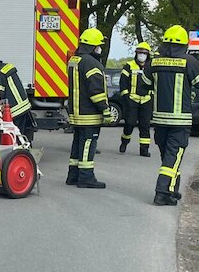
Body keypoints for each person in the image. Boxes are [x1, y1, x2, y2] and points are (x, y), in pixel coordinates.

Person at [149, 24, 199, 206]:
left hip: (159, 120)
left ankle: (172, 190)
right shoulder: (189, 61)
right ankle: (161, 193)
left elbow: (143, 84)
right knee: (172, 157)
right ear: (184, 44)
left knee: (169, 157)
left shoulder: (154, 62)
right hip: (179, 120)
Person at [65, 28, 110, 189]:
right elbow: (96, 91)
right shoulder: (92, 63)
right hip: (89, 114)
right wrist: (105, 109)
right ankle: (86, 177)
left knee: (77, 144)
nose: (100, 48)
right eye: (99, 45)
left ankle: (73, 175)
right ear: (93, 46)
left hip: (76, 112)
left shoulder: (74, 60)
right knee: (88, 144)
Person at [118, 42, 154, 156]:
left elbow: (156, 83)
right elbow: (123, 83)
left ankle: (144, 150)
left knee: (145, 126)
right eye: (140, 53)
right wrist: (126, 97)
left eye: (144, 53)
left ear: (148, 55)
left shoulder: (151, 67)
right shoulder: (129, 66)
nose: (141, 55)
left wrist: (152, 96)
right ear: (136, 53)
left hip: (146, 100)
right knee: (129, 123)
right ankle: (124, 142)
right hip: (132, 100)